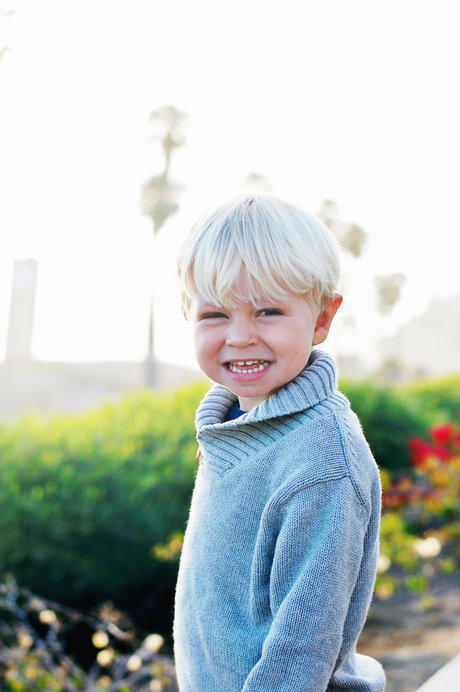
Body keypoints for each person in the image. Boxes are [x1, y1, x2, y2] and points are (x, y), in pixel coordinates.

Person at [173, 192, 385, 692]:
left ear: (321, 319)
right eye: (214, 315)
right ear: (188, 316)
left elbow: (301, 650)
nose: (241, 336)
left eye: (268, 311)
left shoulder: (321, 462)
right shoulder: (239, 423)